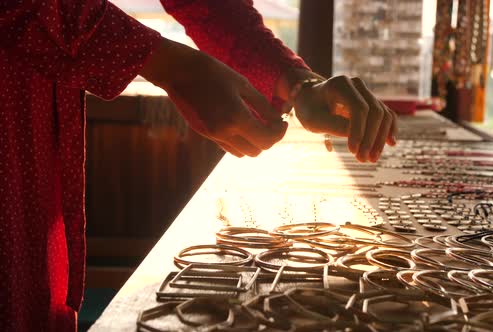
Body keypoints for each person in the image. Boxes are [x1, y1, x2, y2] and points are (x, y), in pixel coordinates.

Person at [0, 1, 397, 331]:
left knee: (33, 288)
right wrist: (167, 64)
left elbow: (208, 5)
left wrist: (298, 83)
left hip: (40, 122)